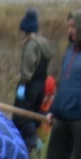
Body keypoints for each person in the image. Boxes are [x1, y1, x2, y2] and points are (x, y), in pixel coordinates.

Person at [41, 10, 81, 159]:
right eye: (68, 26)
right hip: (62, 117)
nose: (70, 30)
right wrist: (52, 110)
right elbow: (63, 86)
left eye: (73, 26)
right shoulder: (69, 52)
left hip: (80, 119)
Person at [15, 9, 54, 150]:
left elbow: (27, 68)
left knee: (21, 116)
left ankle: (37, 146)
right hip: (41, 84)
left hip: (30, 85)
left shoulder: (31, 45)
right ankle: (30, 145)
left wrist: (22, 85)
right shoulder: (43, 43)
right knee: (35, 114)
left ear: (25, 30)